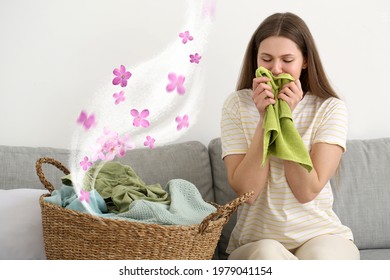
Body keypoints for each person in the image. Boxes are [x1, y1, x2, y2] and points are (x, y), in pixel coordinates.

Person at [220, 12, 360, 260]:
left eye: (287, 60)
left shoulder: (330, 108)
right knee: (268, 256)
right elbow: (248, 193)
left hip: (321, 235)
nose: (275, 69)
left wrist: (285, 118)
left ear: (305, 61)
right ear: (255, 60)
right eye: (266, 59)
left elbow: (306, 191)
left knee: (322, 260)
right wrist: (266, 119)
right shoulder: (237, 105)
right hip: (256, 241)